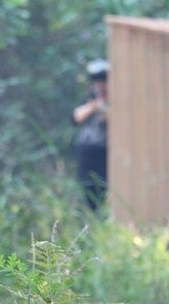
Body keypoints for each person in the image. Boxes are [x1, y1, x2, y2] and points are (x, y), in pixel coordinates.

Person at [72, 59, 109, 210]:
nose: (99, 85)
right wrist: (94, 105)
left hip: (106, 154)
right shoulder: (90, 99)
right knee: (90, 194)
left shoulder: (115, 100)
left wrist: (104, 105)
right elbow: (76, 117)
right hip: (88, 155)